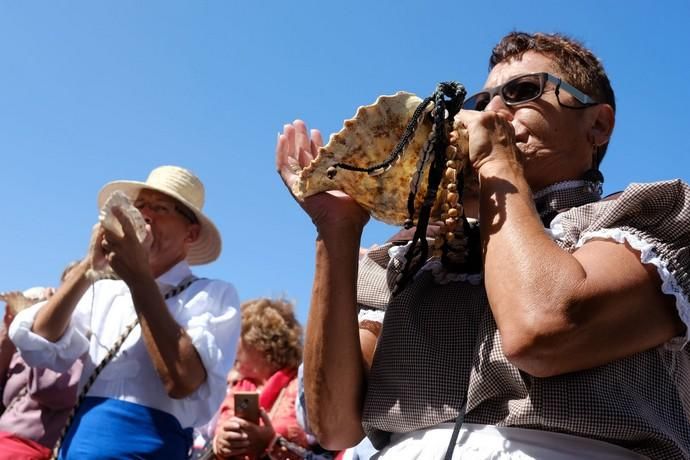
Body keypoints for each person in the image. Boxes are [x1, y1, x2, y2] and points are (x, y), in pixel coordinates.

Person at [276, 32, 690, 459]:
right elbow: (335, 426)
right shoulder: (413, 254)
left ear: (598, 124)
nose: (492, 111)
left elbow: (542, 330)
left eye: (522, 92)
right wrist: (336, 230)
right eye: (481, 102)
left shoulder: (650, 217)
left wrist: (496, 161)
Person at [9, 165, 241, 459]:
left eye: (160, 208)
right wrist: (88, 267)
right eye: (140, 205)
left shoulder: (211, 294)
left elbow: (181, 379)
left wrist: (139, 277)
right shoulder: (106, 291)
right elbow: (40, 342)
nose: (145, 215)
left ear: (191, 234)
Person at [212, 297, 311, 460]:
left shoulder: (301, 386)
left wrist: (271, 442)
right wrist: (219, 443)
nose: (228, 344)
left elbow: (321, 445)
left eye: (235, 335)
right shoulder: (232, 387)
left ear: (259, 342)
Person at [0, 267, 80, 460]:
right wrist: (10, 334)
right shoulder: (21, 353)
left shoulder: (79, 343)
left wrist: (40, 337)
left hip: (30, 448)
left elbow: (49, 391)